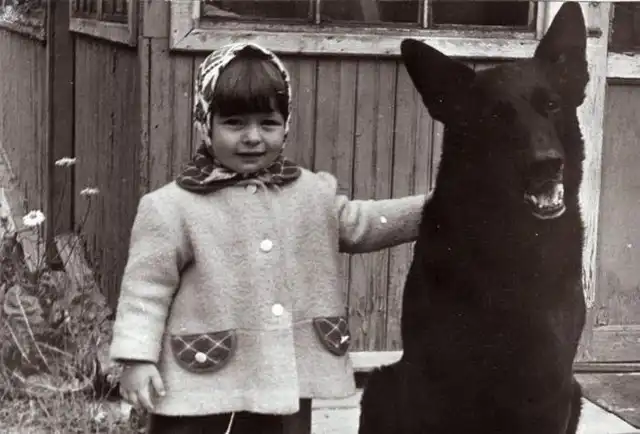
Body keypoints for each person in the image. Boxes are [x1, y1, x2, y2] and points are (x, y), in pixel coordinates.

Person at [109, 42, 428, 434]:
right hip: (201, 384)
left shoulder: (310, 194)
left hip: (287, 380)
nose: (253, 137)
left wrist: (438, 206)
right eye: (234, 123)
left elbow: (361, 223)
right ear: (205, 123)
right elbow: (145, 290)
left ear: (286, 125)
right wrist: (136, 359)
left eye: (268, 123)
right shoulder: (172, 207)